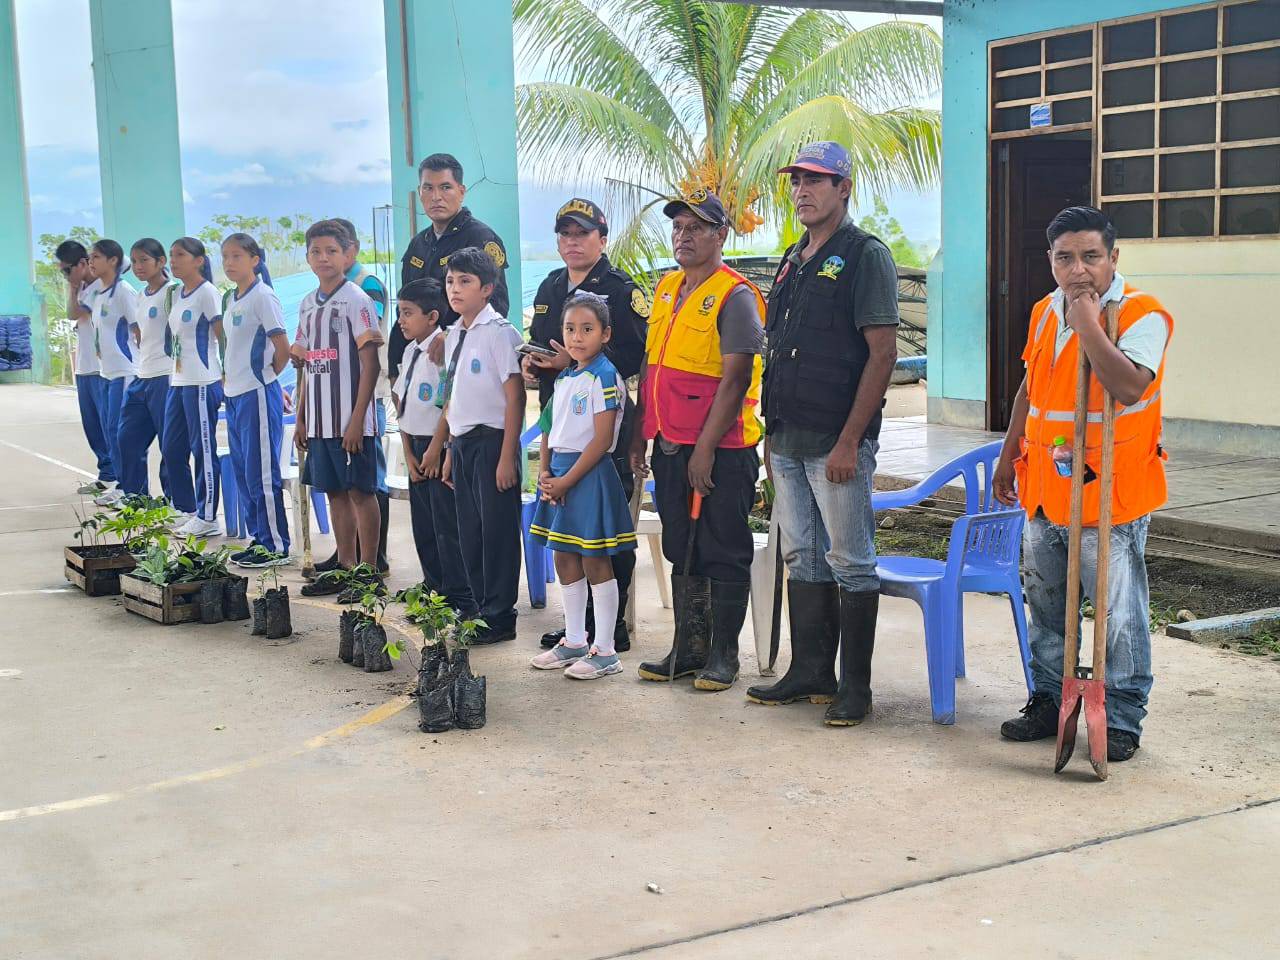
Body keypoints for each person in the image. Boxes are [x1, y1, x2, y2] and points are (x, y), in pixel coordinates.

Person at [993, 205, 1173, 763]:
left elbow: (1127, 387)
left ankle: (1120, 715)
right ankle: (1050, 698)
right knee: (1046, 604)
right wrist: (1008, 455)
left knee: (1117, 615)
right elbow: (1030, 388)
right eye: (1065, 258)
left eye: (1091, 257)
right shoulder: (1045, 312)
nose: (1079, 270)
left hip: (1110, 492)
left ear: (1113, 258)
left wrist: (1090, 322)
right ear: (1050, 261)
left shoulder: (1144, 313)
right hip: (1046, 487)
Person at [745, 142, 900, 727]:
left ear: (844, 189)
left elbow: (881, 354)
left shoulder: (865, 256)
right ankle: (811, 670)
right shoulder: (793, 256)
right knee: (802, 554)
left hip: (837, 443)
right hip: (787, 438)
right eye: (796, 182)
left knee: (850, 560)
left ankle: (854, 690)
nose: (802, 191)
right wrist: (770, 435)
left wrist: (849, 441)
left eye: (816, 181)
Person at [629, 191, 765, 692]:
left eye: (696, 228)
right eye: (679, 228)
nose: (684, 237)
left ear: (720, 235)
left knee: (723, 546)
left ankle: (724, 657)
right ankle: (688, 649)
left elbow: (736, 377)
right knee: (681, 544)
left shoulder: (736, 295)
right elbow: (651, 366)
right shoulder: (667, 287)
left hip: (721, 449)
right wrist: (642, 432)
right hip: (668, 442)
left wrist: (706, 445)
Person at [525, 198, 648, 654]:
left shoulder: (619, 289)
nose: (572, 242)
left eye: (581, 234)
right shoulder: (549, 286)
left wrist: (574, 361)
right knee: (569, 536)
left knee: (606, 534)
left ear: (602, 237)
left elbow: (635, 356)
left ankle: (609, 630)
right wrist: (536, 367)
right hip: (560, 427)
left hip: (602, 429)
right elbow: (541, 347)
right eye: (564, 234)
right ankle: (578, 631)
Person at [529, 293, 637, 679]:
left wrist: (565, 481)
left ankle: (605, 650)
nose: (577, 337)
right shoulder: (565, 378)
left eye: (587, 329)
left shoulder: (605, 376)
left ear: (605, 334)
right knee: (564, 555)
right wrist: (545, 473)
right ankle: (574, 640)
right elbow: (547, 430)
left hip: (587, 476)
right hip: (559, 476)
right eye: (570, 329)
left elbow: (602, 440)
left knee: (594, 559)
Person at [422, 247, 524, 644]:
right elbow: (454, 395)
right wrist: (448, 448)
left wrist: (506, 458)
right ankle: (479, 610)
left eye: (465, 281)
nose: (455, 289)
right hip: (463, 444)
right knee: (471, 533)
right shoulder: (456, 333)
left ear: (488, 288)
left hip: (493, 442)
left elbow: (514, 398)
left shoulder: (501, 333)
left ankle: (500, 615)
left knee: (496, 533)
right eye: (450, 281)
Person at [292, 220, 385, 599]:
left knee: (362, 492)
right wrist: (301, 418)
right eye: (316, 251)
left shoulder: (357, 300)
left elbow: (372, 364)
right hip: (318, 421)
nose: (323, 258)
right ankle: (345, 566)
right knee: (334, 493)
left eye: (332, 250)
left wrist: (358, 418)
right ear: (308, 257)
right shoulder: (305, 304)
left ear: (347, 254)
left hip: (351, 421)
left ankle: (369, 570)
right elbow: (304, 368)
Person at [392, 278, 474, 614]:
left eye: (408, 313)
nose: (401, 320)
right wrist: (409, 453)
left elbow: (449, 403)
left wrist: (435, 449)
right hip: (416, 447)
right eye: (400, 313)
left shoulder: (442, 351)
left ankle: (459, 594)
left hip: (437, 447)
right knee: (423, 525)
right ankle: (434, 587)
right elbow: (401, 404)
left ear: (432, 316)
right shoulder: (411, 350)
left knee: (446, 527)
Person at [394, 153, 511, 379]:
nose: (436, 196)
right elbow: (406, 307)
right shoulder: (418, 244)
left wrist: (452, 336)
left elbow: (496, 306)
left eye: (445, 187)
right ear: (419, 193)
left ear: (461, 191)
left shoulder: (480, 239)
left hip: (467, 365)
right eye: (428, 188)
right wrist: (396, 364)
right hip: (420, 366)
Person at [219, 233, 292, 567]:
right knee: (244, 472)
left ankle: (275, 545)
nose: (229, 263)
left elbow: (282, 348)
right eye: (225, 257)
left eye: (237, 256)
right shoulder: (231, 299)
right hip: (233, 396)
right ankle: (258, 539)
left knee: (262, 474)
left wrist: (268, 378)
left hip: (257, 395)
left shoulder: (263, 296)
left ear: (254, 260)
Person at [115, 238, 191, 511]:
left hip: (166, 376)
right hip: (142, 375)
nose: (138, 267)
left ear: (161, 262)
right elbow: (139, 332)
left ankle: (175, 502)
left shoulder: (174, 292)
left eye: (145, 260)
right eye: (134, 261)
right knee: (127, 438)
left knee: (170, 445)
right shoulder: (140, 295)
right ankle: (137, 499)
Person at [163, 237, 224, 537]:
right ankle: (189, 509)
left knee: (203, 450)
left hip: (202, 381)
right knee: (171, 448)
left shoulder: (207, 293)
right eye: (171, 255)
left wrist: (227, 374)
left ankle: (209, 516)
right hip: (179, 381)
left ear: (199, 260)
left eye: (180, 255)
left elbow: (222, 336)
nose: (173, 261)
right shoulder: (177, 295)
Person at [84, 240, 141, 508]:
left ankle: (133, 489)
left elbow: (138, 329)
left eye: (96, 257)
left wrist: (140, 364)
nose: (90, 262)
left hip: (125, 372)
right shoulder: (100, 294)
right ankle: (122, 484)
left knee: (122, 432)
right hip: (106, 373)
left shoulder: (124, 292)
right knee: (110, 430)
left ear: (114, 260)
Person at [56, 240, 115, 496]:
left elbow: (76, 313)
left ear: (83, 263)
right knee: (92, 426)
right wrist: (72, 287)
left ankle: (119, 477)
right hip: (85, 367)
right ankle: (106, 474)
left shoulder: (101, 288)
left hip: (103, 369)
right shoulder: (80, 288)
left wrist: (74, 288)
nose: (66, 276)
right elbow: (72, 313)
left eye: (67, 270)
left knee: (108, 425)